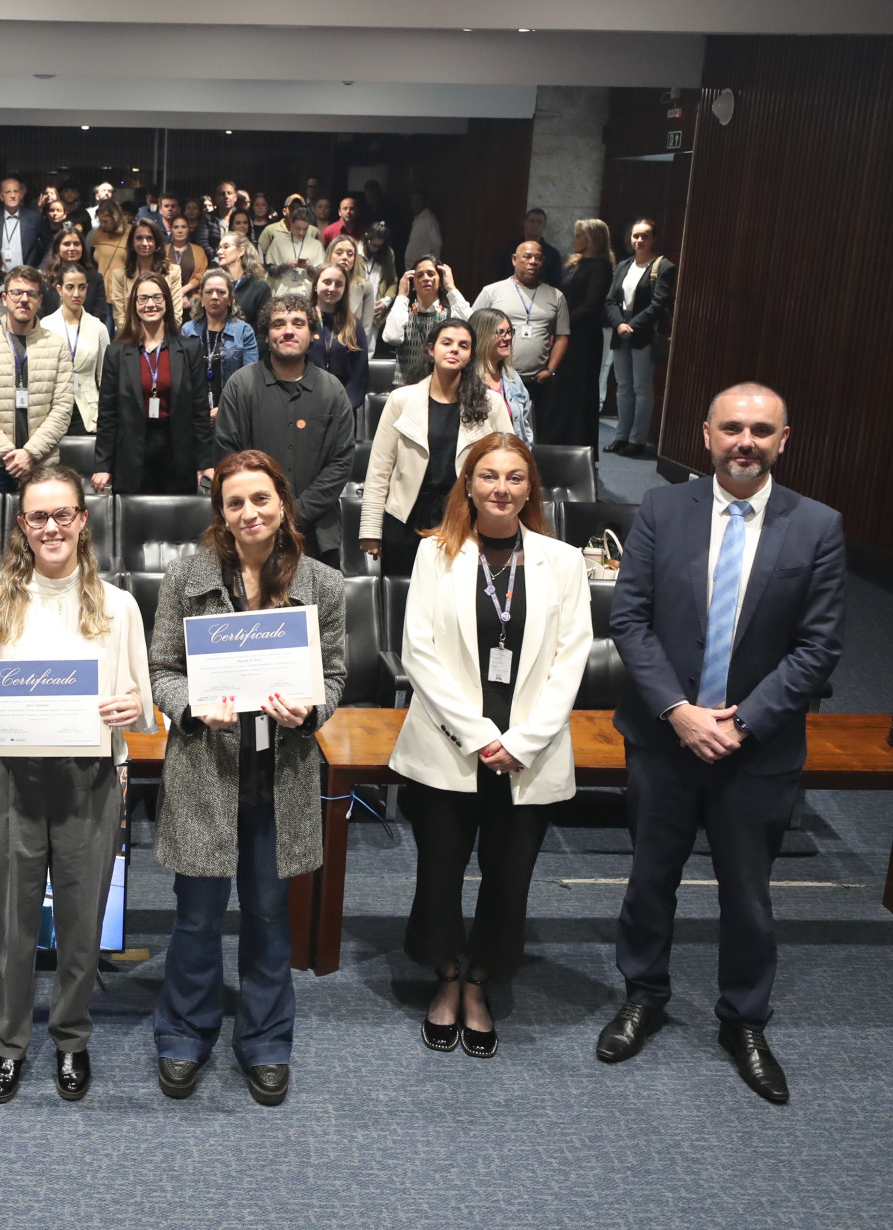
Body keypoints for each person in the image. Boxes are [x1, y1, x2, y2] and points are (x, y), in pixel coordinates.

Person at [599, 383, 846, 1106]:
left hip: (757, 750)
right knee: (649, 880)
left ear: (782, 439)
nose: (745, 440)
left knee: (748, 895)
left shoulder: (818, 526)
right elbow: (631, 621)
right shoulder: (661, 508)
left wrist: (739, 721)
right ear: (704, 434)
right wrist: (678, 710)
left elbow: (819, 646)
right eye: (731, 427)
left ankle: (743, 1020)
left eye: (760, 430)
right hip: (662, 739)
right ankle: (643, 995)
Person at [0, 465, 156, 1102]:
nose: (52, 527)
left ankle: (70, 1038)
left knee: (81, 923)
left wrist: (131, 712)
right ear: (22, 526)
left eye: (64, 514)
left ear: (83, 521)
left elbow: (146, 708)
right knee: (11, 925)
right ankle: (9, 1042)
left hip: (88, 780)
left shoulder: (117, 606)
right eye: (39, 516)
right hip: (10, 779)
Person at [148, 450, 347, 1107]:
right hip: (208, 765)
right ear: (221, 513)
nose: (248, 512)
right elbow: (162, 669)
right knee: (197, 917)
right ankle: (184, 1031)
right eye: (234, 502)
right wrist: (187, 705)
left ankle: (265, 1040)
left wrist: (311, 707)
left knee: (267, 914)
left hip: (279, 768)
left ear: (282, 503)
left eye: (259, 499)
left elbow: (337, 673)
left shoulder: (320, 582)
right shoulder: (186, 576)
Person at [391, 433, 590, 1056]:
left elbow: (571, 659)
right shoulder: (436, 554)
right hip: (449, 746)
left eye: (514, 477)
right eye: (488, 477)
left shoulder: (563, 561)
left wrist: (522, 742)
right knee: (441, 874)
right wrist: (480, 736)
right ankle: (446, 978)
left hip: (530, 753)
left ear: (531, 487)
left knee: (509, 878)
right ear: (468, 486)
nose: (500, 488)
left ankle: (481, 981)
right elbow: (417, 654)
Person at [359, 316, 513, 577]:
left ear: (470, 355)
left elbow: (511, 463)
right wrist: (371, 531)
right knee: (404, 603)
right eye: (447, 343)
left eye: (463, 346)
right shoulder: (401, 400)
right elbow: (379, 471)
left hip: (463, 519)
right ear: (431, 350)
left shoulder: (491, 404)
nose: (454, 349)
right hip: (406, 519)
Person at [215, 295, 354, 569]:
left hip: (317, 535)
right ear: (267, 336)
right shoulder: (240, 386)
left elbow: (342, 462)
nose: (288, 330)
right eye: (278, 324)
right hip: (251, 531)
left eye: (298, 323)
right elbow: (228, 457)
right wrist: (266, 512)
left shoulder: (333, 390)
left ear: (312, 333)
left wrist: (294, 513)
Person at [93, 275, 214, 496]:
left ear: (167, 302)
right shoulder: (116, 352)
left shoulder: (189, 349)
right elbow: (108, 413)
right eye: (143, 298)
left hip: (178, 456)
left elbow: (199, 411)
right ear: (134, 305)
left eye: (157, 297)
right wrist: (103, 465)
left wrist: (204, 461)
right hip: (131, 456)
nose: (151, 304)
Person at [0, 266, 75, 492]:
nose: (24, 299)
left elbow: (62, 408)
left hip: (41, 462)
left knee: (40, 526)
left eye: (31, 294)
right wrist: (8, 454)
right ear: (4, 298)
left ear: (40, 300)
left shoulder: (57, 346)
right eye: (16, 293)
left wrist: (30, 453)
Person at [471, 241, 569, 438]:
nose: (532, 262)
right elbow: (473, 328)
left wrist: (550, 370)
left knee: (531, 434)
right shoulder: (492, 291)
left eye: (538, 258)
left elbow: (562, 336)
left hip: (537, 382)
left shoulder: (555, 296)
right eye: (527, 257)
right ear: (515, 260)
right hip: (497, 378)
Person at [603, 218, 676, 457]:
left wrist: (631, 325)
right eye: (636, 236)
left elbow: (658, 304)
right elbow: (611, 300)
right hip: (621, 328)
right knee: (623, 386)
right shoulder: (624, 265)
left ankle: (638, 440)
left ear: (654, 239)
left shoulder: (663, 266)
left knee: (641, 388)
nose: (639, 240)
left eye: (645, 236)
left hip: (643, 332)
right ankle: (621, 436)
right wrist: (620, 323)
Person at [548, 218, 614, 449]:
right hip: (568, 331)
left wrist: (561, 325)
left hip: (584, 336)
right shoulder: (574, 264)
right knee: (562, 388)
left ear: (591, 240)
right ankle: (558, 438)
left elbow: (590, 304)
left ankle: (576, 442)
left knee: (578, 388)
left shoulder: (601, 266)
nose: (574, 240)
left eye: (579, 236)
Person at [42, 261, 113, 436]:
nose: (76, 294)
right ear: (59, 289)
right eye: (70, 287)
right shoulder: (45, 326)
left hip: (90, 412)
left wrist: (104, 415)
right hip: (52, 410)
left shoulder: (98, 328)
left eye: (82, 287)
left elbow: (105, 378)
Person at [183, 268, 259, 421]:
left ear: (231, 298)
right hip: (195, 415)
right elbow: (182, 379)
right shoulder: (187, 330)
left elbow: (249, 379)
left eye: (221, 292)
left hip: (233, 413)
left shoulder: (243, 331)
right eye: (209, 292)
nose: (215, 297)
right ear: (202, 299)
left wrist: (224, 408)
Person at [379, 255, 469, 373]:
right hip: (406, 385)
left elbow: (473, 325)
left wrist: (451, 288)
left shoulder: (451, 314)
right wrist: (401, 295)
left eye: (431, 274)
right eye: (419, 275)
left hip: (441, 386)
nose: (426, 278)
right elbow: (392, 337)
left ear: (441, 281)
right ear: (413, 285)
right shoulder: (403, 312)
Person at [306, 263, 370, 412]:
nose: (332, 288)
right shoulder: (303, 322)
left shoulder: (353, 325)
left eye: (338, 284)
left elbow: (360, 373)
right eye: (327, 282)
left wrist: (346, 405)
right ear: (315, 285)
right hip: (307, 406)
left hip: (343, 409)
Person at [471, 307, 535, 446]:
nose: (508, 338)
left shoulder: (512, 377)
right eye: (501, 332)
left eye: (509, 332)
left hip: (512, 456)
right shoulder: (467, 379)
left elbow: (525, 427)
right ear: (482, 335)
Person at [106, 218, 184, 326]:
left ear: (156, 242)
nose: (144, 243)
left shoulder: (173, 272)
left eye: (149, 238)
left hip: (166, 337)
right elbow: (120, 319)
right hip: (132, 338)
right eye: (139, 238)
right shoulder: (119, 275)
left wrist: (158, 338)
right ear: (132, 242)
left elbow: (176, 316)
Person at [46, 222, 113, 323]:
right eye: (67, 244)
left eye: (77, 244)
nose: (72, 248)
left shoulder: (95, 278)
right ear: (57, 248)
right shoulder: (45, 279)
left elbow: (100, 313)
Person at [490, 208, 562, 290]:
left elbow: (556, 284)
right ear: (525, 223)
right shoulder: (509, 249)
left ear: (544, 225)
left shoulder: (552, 254)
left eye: (539, 222)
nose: (535, 225)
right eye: (532, 221)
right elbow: (498, 277)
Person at [0, 176, 45, 271]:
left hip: (26, 274)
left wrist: (41, 269)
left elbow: (48, 245)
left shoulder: (34, 217)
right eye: (8, 192)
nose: (12, 195)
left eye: (16, 191)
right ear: (1, 197)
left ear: (21, 195)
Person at [215, 231, 271, 326]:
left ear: (241, 251)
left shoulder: (259, 287)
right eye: (219, 248)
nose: (219, 252)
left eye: (226, 247)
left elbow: (264, 327)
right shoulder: (215, 284)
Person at [262, 204, 326, 272]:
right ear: (291, 224)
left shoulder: (316, 245)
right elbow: (269, 271)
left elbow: (322, 273)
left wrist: (310, 268)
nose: (301, 232)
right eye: (298, 228)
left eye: (305, 229)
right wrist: (285, 266)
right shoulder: (278, 242)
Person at [88, 199, 131, 279]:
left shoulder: (131, 233)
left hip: (123, 285)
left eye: (106, 221)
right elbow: (91, 262)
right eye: (100, 221)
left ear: (116, 218)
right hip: (102, 285)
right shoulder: (97, 233)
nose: (102, 225)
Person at [165, 213, 209, 285]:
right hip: (168, 293)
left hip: (192, 294)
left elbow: (201, 274)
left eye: (183, 227)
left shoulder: (199, 251)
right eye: (176, 227)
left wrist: (184, 290)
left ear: (188, 229)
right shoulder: (163, 251)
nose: (180, 231)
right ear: (171, 229)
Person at [405, 190, 443, 267]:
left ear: (425, 202)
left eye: (419, 201)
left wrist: (432, 264)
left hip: (423, 267)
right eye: (413, 201)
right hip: (412, 266)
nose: (415, 204)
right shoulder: (417, 218)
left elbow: (437, 244)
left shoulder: (429, 220)